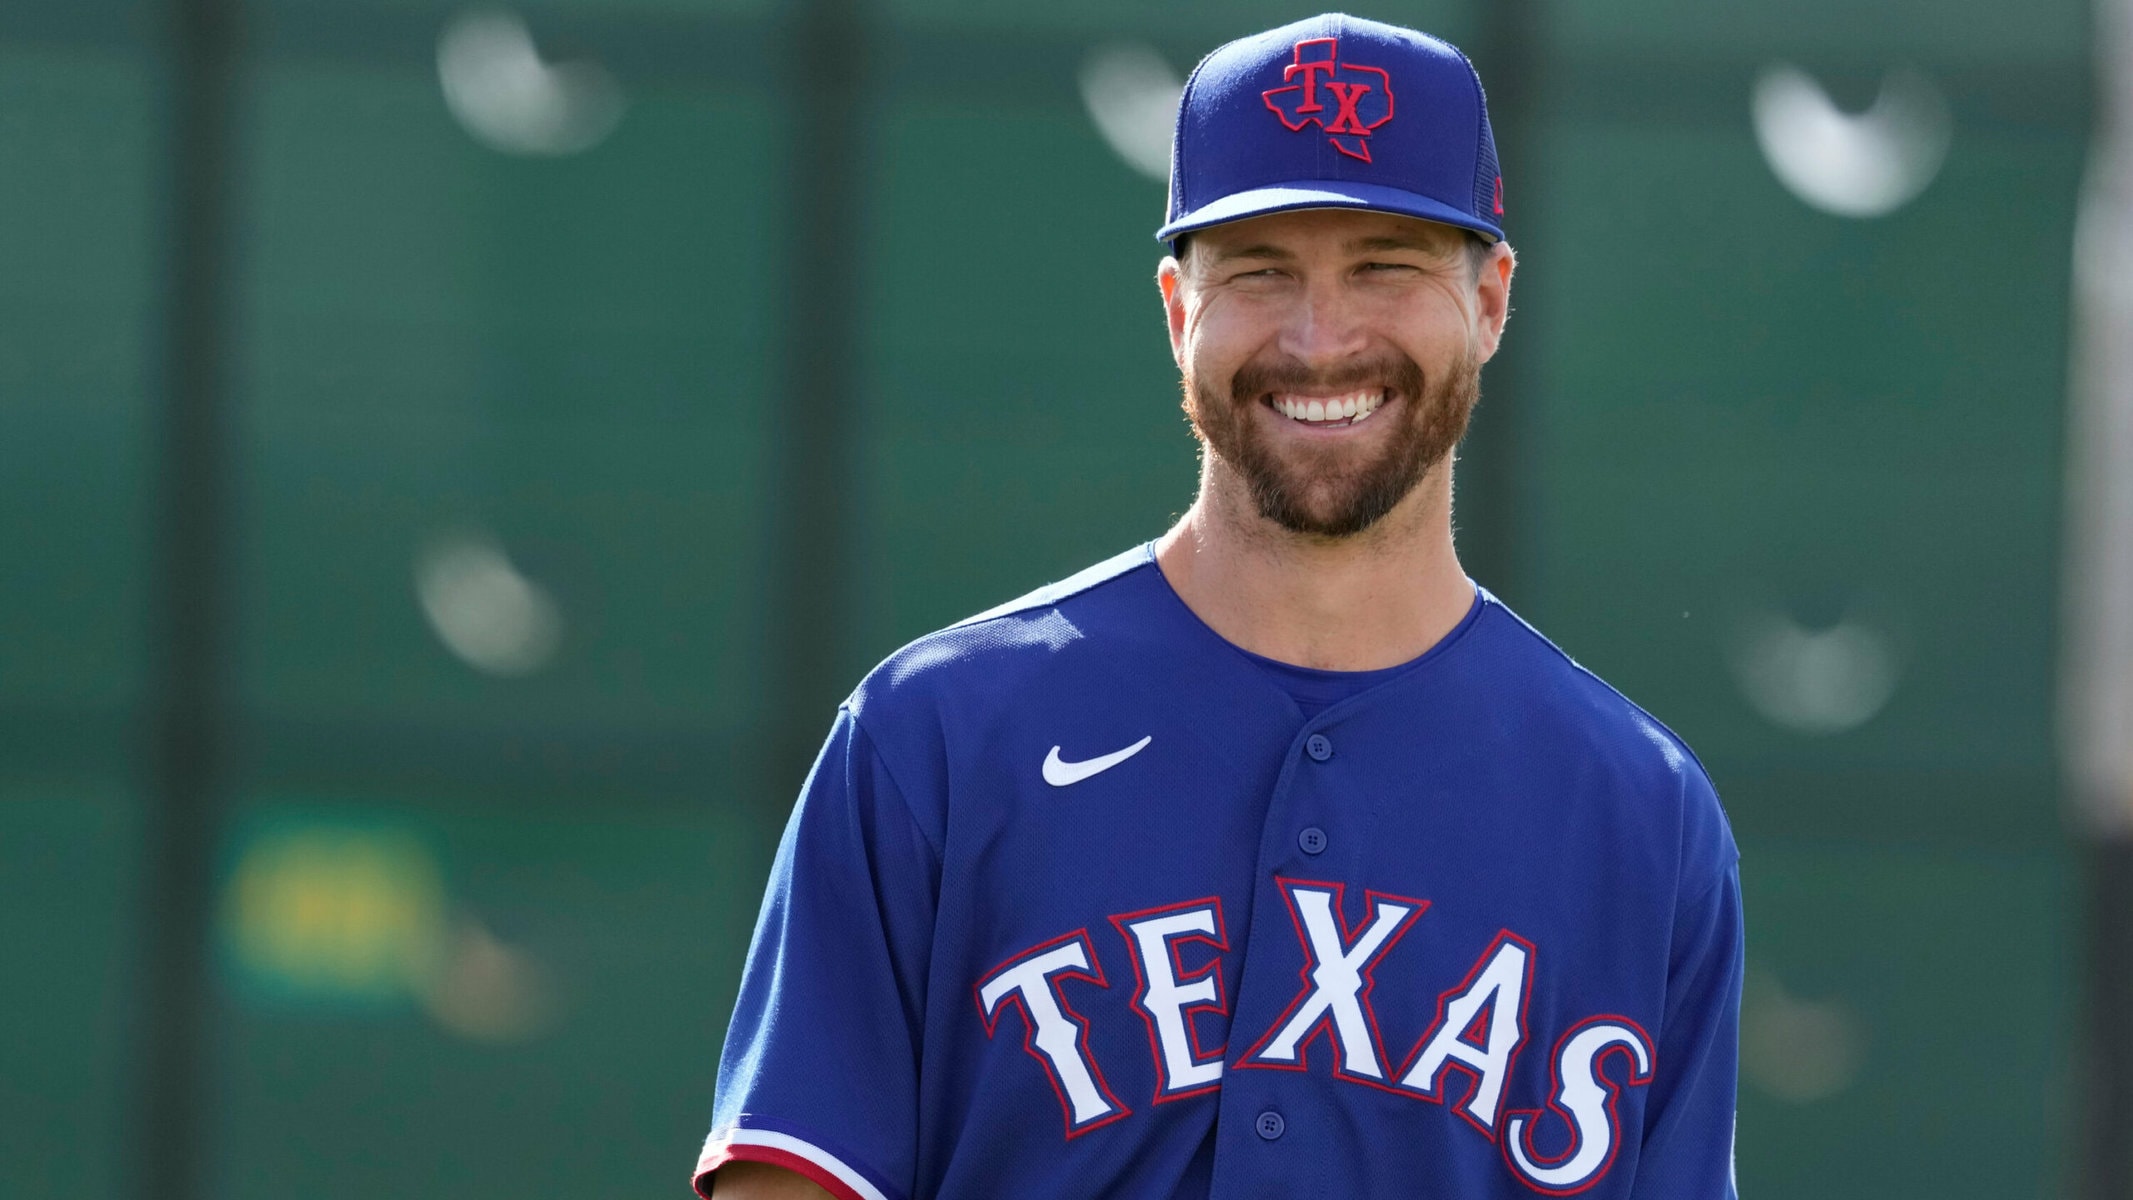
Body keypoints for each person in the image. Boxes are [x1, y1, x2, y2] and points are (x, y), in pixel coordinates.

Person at [694, 13, 1742, 1199]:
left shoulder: (1641, 815)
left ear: (1492, 300)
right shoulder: (934, 738)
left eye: (1385, 265)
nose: (1320, 338)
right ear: (1178, 308)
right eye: (1259, 269)